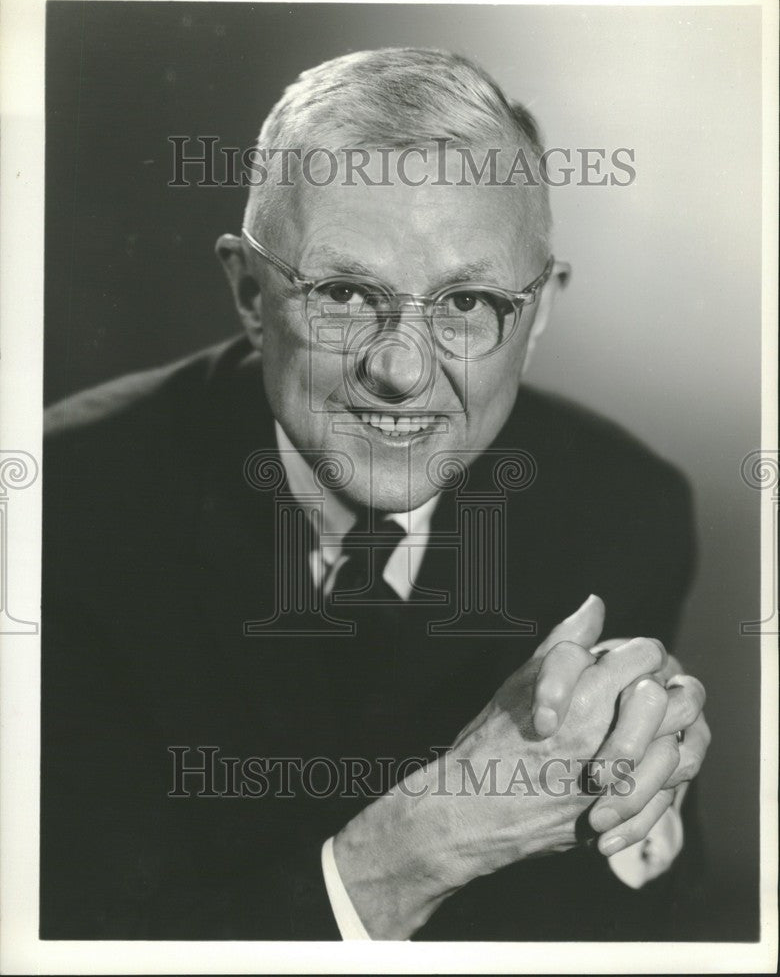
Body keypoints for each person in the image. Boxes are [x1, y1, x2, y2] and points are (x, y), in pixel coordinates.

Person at [41, 48, 710, 941]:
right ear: (248, 290)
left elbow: (624, 928)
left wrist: (636, 784)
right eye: (346, 294)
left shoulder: (625, 507)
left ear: (540, 311)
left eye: (468, 303)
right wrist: (424, 845)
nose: (401, 370)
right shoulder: (62, 510)